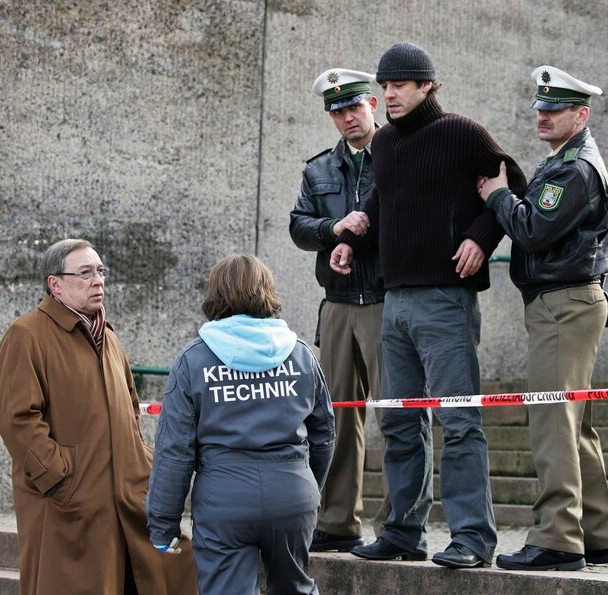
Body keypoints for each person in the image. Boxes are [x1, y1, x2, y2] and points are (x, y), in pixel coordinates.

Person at [330, 41, 528, 569]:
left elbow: (515, 183)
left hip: (445, 299)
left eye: (398, 85)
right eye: (384, 85)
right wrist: (356, 234)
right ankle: (402, 532)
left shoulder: (463, 134)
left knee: (458, 420)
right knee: (398, 419)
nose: (388, 94)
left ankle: (472, 538)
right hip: (394, 300)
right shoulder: (387, 144)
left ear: (427, 87)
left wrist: (482, 236)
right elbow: (383, 198)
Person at [0, 238, 198, 594]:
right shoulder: (27, 335)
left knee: (169, 571)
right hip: (69, 502)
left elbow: (130, 408)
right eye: (85, 273)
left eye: (100, 271)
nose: (98, 280)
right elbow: (17, 418)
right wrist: (59, 479)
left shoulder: (108, 336)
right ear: (55, 284)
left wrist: (140, 461)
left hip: (126, 495)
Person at [478, 65, 608, 571]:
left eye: (554, 109)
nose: (543, 115)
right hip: (568, 301)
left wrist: (496, 193)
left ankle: (559, 539)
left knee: (552, 418)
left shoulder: (573, 169)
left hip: (563, 304)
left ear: (580, 115)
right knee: (574, 422)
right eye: (540, 107)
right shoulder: (565, 160)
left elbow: (533, 228)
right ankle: (597, 534)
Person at [146, 254, 335, 595]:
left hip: (224, 502)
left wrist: (163, 524)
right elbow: (324, 435)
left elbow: (174, 451)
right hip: (292, 494)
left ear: (215, 295)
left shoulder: (193, 360)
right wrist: (307, 487)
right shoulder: (301, 354)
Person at [290, 67, 389, 553]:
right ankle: (335, 520)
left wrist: (359, 234)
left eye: (354, 107)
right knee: (333, 417)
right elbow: (299, 227)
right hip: (337, 304)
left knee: (396, 414)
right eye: (337, 111)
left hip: (387, 301)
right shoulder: (318, 169)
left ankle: (395, 525)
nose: (347, 118)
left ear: (372, 104)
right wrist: (334, 228)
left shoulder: (396, 156)